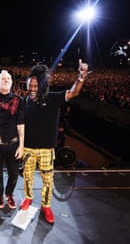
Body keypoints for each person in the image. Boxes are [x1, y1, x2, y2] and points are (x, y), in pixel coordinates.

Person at [19, 59, 88, 224]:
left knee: (47, 180)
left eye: (35, 86)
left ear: (42, 85)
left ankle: (46, 205)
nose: (32, 89)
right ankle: (28, 198)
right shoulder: (24, 102)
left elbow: (73, 93)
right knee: (28, 177)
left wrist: (81, 77)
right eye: (30, 86)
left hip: (46, 149)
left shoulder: (53, 98)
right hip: (28, 148)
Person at [0, 70, 25, 209]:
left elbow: (21, 123)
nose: (6, 80)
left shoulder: (18, 100)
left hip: (12, 143)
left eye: (8, 78)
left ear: (11, 82)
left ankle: (9, 194)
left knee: (14, 174)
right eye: (3, 78)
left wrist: (21, 145)